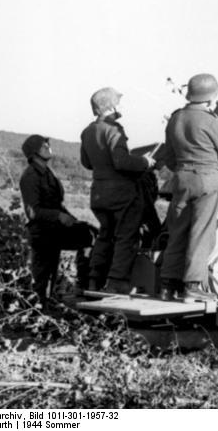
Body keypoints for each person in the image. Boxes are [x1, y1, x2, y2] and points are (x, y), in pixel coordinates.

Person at [159, 73, 218, 301]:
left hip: (181, 180)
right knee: (201, 233)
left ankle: (167, 286)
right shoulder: (210, 120)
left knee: (178, 232)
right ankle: (192, 287)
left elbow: (168, 157)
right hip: (206, 180)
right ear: (211, 96)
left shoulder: (176, 118)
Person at [81, 87, 155, 294]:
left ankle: (94, 279)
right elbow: (121, 161)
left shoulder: (88, 131)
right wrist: (145, 162)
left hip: (98, 193)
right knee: (126, 237)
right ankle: (117, 281)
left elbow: (87, 162)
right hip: (121, 194)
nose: (121, 106)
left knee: (105, 235)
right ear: (111, 106)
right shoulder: (113, 129)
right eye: (118, 102)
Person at [19, 135, 95, 304]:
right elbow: (32, 212)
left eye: (48, 144)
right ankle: (37, 309)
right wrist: (59, 216)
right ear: (34, 153)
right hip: (42, 233)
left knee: (89, 235)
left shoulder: (48, 173)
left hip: (55, 230)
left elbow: (57, 204)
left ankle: (84, 287)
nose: (48, 147)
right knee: (43, 279)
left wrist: (73, 220)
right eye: (43, 146)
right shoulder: (30, 176)